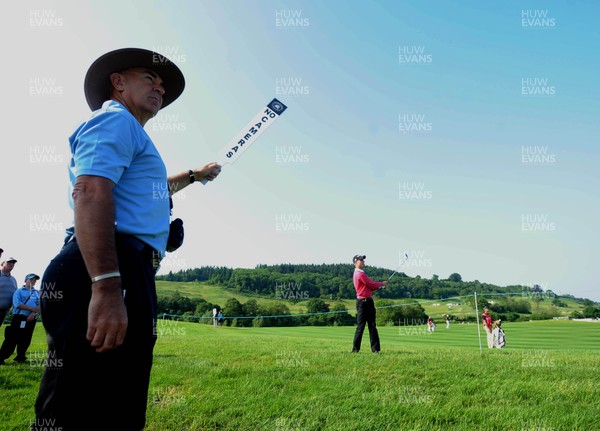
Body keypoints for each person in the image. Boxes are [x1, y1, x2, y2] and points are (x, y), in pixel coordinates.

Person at [33, 47, 221, 431]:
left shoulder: (131, 134)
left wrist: (194, 175)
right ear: (117, 83)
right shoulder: (115, 121)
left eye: (163, 85)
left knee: (117, 402)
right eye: (149, 78)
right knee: (77, 407)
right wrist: (104, 286)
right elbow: (89, 190)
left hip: (125, 270)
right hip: (102, 269)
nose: (160, 88)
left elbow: (153, 188)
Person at [0, 273, 41, 365]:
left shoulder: (37, 292)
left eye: (34, 280)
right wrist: (32, 309)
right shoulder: (19, 291)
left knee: (26, 339)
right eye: (31, 279)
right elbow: (18, 304)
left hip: (31, 319)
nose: (33, 282)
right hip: (19, 318)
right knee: (12, 338)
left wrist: (33, 313)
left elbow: (40, 305)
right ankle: (1, 357)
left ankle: (20, 357)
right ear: (25, 280)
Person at [351, 255, 387, 353]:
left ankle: (375, 350)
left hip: (368, 301)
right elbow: (371, 284)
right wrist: (381, 284)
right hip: (362, 303)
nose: (363, 261)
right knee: (361, 326)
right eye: (360, 260)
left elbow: (370, 287)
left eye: (363, 259)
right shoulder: (359, 274)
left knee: (372, 326)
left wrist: (378, 286)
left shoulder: (360, 273)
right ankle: (355, 350)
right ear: (355, 261)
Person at [0, 257, 18, 328]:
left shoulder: (13, 279)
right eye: (9, 262)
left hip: (5, 311)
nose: (11, 264)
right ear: (2, 263)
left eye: (13, 263)